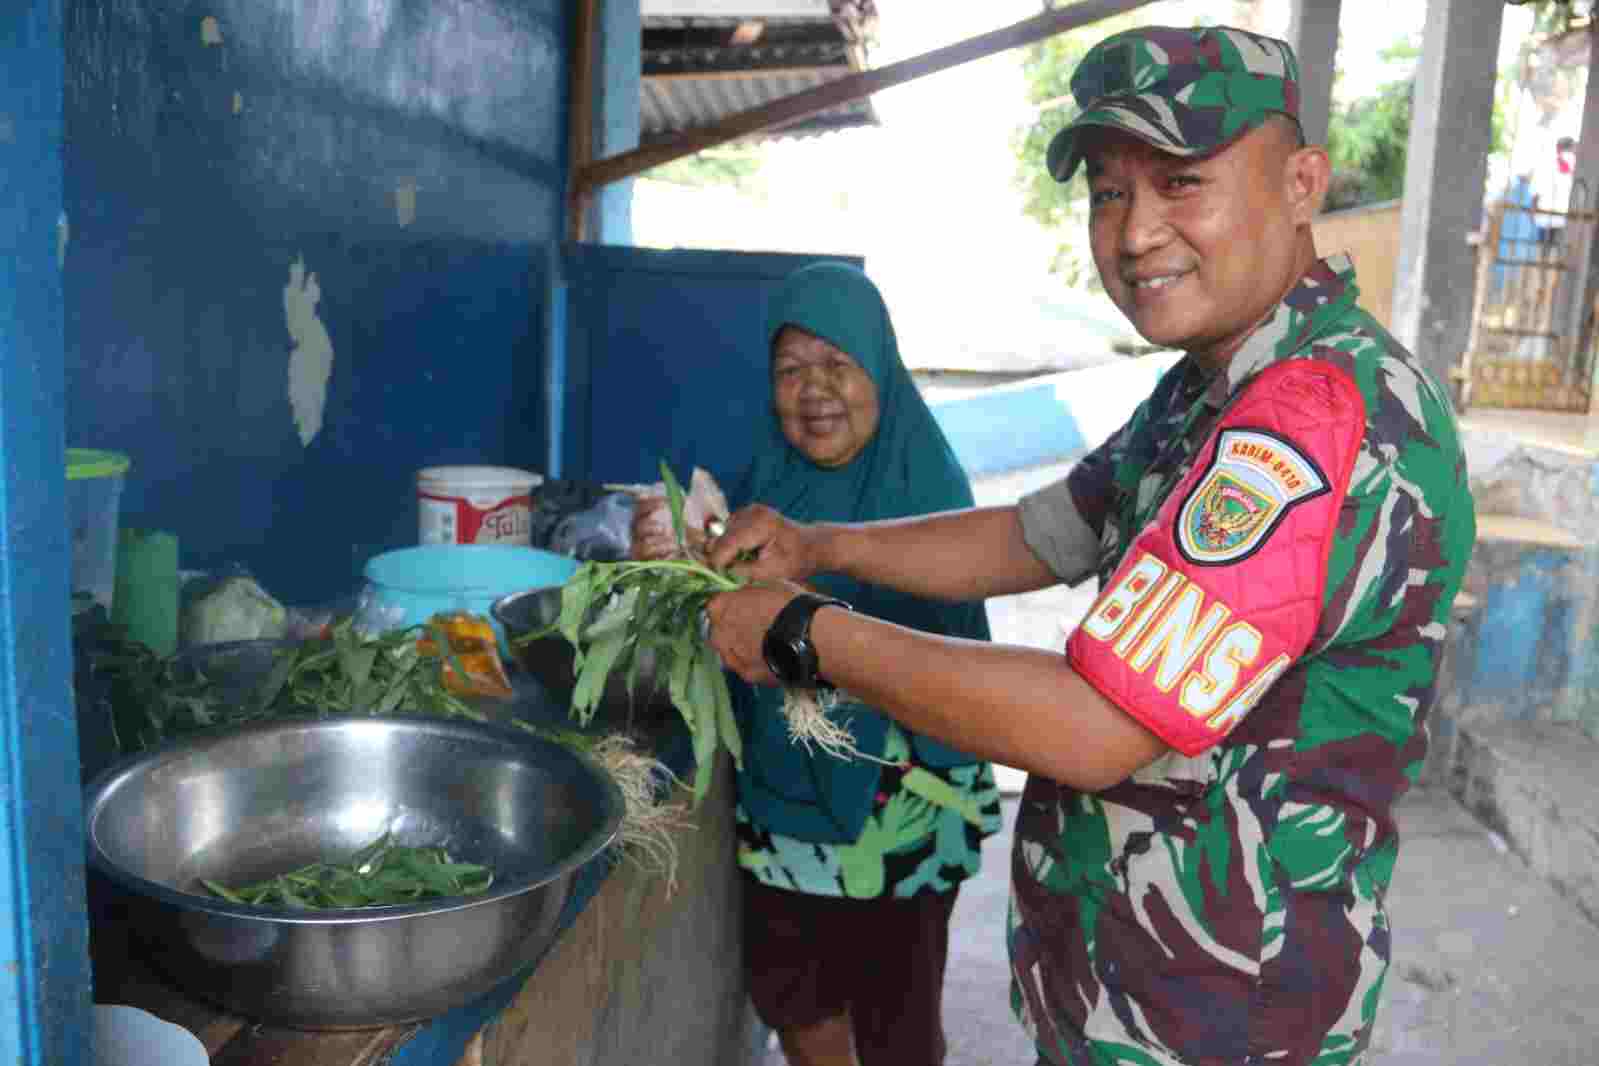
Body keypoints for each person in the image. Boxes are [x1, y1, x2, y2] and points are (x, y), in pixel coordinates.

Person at [703, 25, 1476, 1066]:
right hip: (1138, 981)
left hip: (1220, 1011)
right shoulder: (1213, 384)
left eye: (1182, 181)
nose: (1136, 233)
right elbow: (1037, 533)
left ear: (1302, 183)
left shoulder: (1311, 414)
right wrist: (815, 543)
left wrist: (804, 631)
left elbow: (1096, 722)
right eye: (1111, 192)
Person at [632, 261, 1001, 1066]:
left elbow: (918, 650)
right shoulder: (766, 476)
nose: (813, 390)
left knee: (896, 1020)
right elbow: (724, 614)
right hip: (785, 790)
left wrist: (791, 591)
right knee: (792, 993)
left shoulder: (927, 485)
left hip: (898, 803)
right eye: (791, 370)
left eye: (838, 364)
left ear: (880, 368)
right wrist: (680, 558)